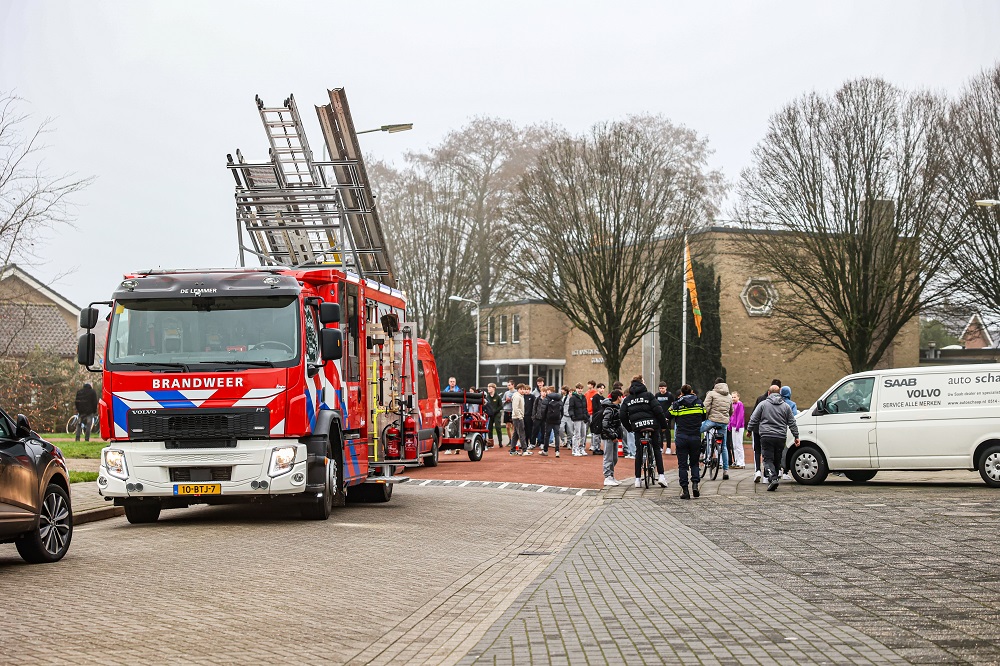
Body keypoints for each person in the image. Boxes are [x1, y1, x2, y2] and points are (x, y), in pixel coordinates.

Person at [619, 375, 669, 488]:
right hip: (652, 425)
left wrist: (630, 428)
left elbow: (622, 415)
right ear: (642, 383)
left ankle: (637, 479)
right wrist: (663, 426)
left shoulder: (628, 399)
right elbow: (658, 411)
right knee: (656, 449)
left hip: (638, 427)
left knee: (639, 452)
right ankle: (661, 476)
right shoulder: (649, 395)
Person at [748, 385, 800, 491]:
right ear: (779, 393)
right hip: (780, 436)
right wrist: (796, 436)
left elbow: (754, 418)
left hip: (766, 436)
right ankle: (774, 478)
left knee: (767, 459)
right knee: (777, 459)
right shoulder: (786, 406)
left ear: (768, 393)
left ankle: (773, 478)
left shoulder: (763, 404)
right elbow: (792, 422)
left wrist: (749, 430)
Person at [670, 384, 707, 499]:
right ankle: (695, 485)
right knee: (694, 463)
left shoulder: (677, 403)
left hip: (681, 437)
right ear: (691, 391)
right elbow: (704, 416)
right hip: (695, 436)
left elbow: (668, 415)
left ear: (681, 393)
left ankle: (685, 491)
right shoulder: (699, 402)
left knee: (682, 465)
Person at [701, 377, 734, 480]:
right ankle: (725, 470)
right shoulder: (729, 396)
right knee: (723, 446)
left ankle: (702, 453)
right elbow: (731, 411)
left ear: (715, 384)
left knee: (696, 431)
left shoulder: (711, 393)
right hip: (723, 423)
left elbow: (705, 407)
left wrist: (704, 417)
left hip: (712, 420)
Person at [751, 379, 781, 483]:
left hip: (757, 429)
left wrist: (750, 429)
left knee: (757, 450)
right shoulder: (781, 402)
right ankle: (766, 475)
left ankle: (758, 470)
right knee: (768, 453)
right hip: (769, 431)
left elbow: (754, 415)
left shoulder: (760, 399)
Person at [599, 389, 625, 486]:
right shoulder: (609, 409)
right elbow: (605, 425)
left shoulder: (616, 407)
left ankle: (611, 476)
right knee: (608, 457)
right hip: (608, 437)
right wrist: (613, 435)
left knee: (614, 458)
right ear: (618, 397)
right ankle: (607, 477)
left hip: (614, 436)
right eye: (621, 396)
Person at [778, 385, 798, 479]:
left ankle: (778, 470)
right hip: (787, 429)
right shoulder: (792, 404)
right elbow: (794, 416)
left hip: (777, 428)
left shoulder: (778, 402)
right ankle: (785, 472)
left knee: (777, 450)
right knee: (786, 450)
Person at [540, 386, 563, 457]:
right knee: (556, 435)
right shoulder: (560, 399)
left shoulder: (546, 399)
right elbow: (562, 412)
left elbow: (543, 410)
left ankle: (545, 450)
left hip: (548, 420)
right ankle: (557, 451)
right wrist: (559, 418)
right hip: (557, 420)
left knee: (547, 435)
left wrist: (544, 419)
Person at [568, 383, 589, 456]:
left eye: (581, 388)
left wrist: (587, 416)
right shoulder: (573, 398)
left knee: (583, 434)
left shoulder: (583, 397)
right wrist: (572, 416)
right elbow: (571, 408)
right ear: (576, 389)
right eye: (578, 388)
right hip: (577, 418)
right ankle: (575, 449)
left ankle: (581, 448)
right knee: (577, 434)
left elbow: (585, 408)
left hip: (583, 418)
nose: (580, 390)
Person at [655, 382, 675, 456]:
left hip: (667, 416)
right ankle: (660, 446)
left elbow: (672, 405)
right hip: (659, 415)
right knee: (659, 431)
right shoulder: (657, 395)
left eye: (663, 388)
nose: (661, 390)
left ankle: (668, 447)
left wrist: (669, 415)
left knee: (667, 431)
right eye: (660, 388)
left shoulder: (669, 395)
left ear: (666, 388)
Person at [509, 384, 529, 455]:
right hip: (517, 418)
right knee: (521, 433)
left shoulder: (520, 396)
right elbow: (515, 408)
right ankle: (524, 450)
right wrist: (520, 417)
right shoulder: (517, 396)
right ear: (518, 389)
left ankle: (512, 450)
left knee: (515, 434)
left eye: (524, 389)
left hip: (517, 417)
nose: (523, 390)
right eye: (522, 389)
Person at [730, 391, 746, 469]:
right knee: (734, 445)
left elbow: (740, 416)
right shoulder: (732, 405)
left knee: (739, 444)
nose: (733, 398)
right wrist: (730, 425)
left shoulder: (740, 404)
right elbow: (731, 416)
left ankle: (741, 462)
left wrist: (737, 425)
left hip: (739, 427)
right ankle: (736, 460)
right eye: (732, 397)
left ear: (738, 397)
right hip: (733, 426)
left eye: (735, 397)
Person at [484, 383, 504, 448]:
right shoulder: (487, 397)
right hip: (490, 414)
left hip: (497, 414)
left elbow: (501, 406)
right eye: (488, 387)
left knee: (498, 427)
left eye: (490, 387)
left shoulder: (497, 397)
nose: (488, 389)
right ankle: (490, 443)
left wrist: (495, 411)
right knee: (489, 428)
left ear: (494, 388)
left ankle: (500, 442)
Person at [589, 383, 606, 454]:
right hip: (596, 417)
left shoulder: (603, 399)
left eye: (603, 388)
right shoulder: (595, 397)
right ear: (598, 388)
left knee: (600, 433)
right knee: (596, 433)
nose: (602, 390)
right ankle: (595, 447)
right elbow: (595, 408)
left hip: (602, 417)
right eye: (601, 388)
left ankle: (598, 447)